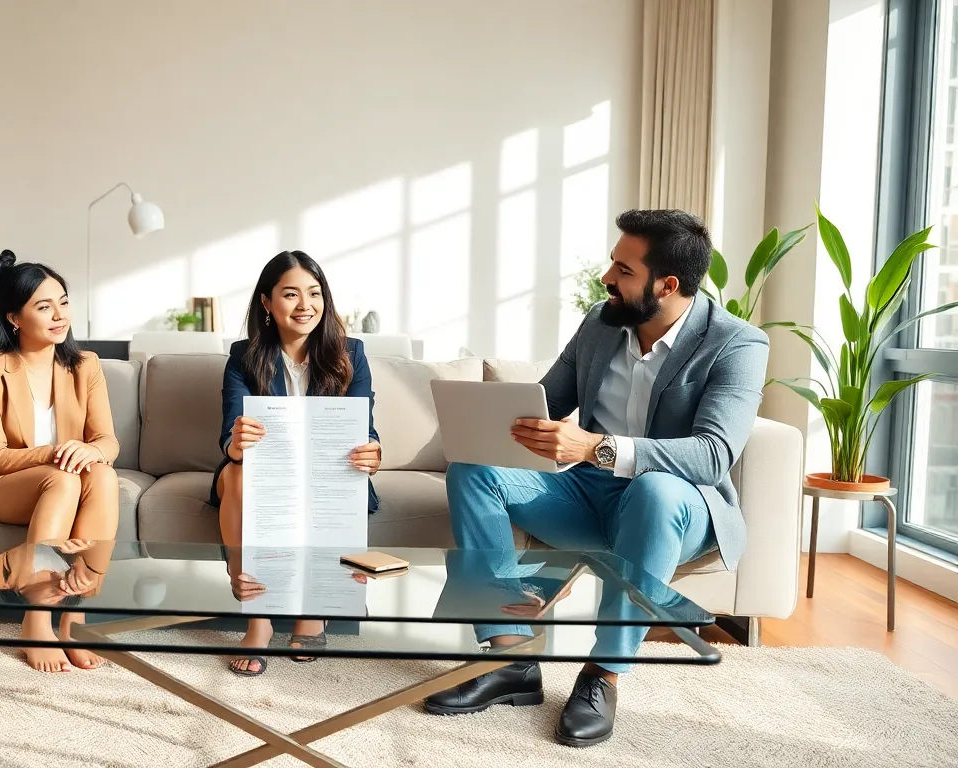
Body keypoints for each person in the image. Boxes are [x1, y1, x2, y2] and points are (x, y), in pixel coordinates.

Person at [423, 210, 769, 747]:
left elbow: (712, 455)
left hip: (677, 509)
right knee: (474, 469)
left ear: (667, 285)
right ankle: (511, 657)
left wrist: (594, 446)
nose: (607, 277)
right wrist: (490, 424)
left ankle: (603, 674)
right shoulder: (601, 321)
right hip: (586, 495)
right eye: (613, 263)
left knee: (655, 490)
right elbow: (545, 401)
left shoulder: (736, 343)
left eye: (623, 270)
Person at [213, 250, 383, 676]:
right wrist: (238, 443)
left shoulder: (351, 353)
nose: (305, 305)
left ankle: (314, 607)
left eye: (314, 292)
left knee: (331, 483)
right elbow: (229, 434)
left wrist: (372, 451)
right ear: (267, 302)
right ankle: (257, 617)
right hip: (260, 473)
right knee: (237, 472)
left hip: (328, 472)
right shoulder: (243, 356)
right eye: (291, 294)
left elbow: (364, 427)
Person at [0, 250, 121, 673]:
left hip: (69, 479)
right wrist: (56, 451)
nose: (59, 315)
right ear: (14, 317)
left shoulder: (85, 366)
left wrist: (91, 450)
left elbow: (107, 441)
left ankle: (75, 618)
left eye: (63, 302)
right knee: (62, 479)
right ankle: (36, 619)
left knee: (103, 476)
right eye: (44, 306)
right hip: (6, 485)